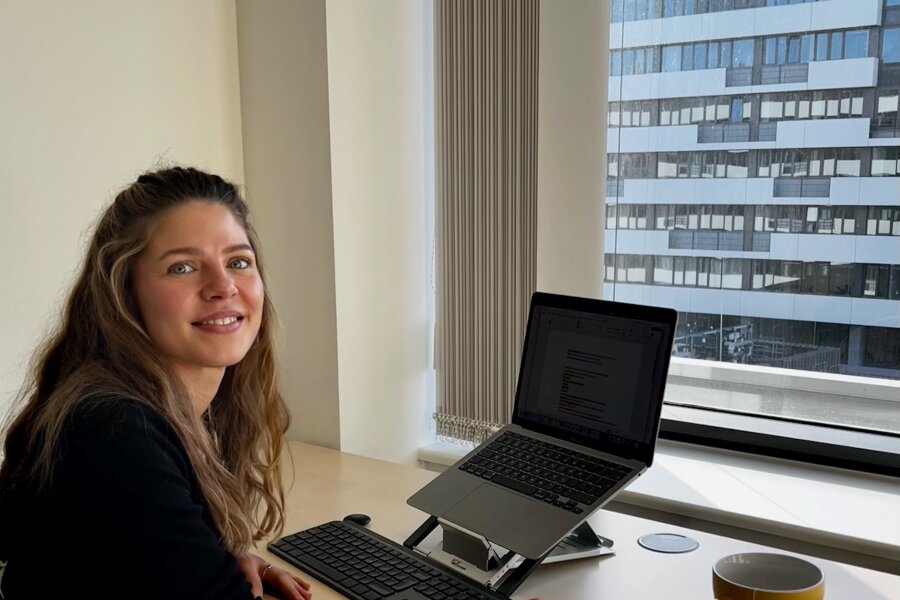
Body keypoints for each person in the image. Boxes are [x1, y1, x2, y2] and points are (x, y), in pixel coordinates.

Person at [0, 167, 311, 600]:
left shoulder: (161, 412)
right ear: (125, 294)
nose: (223, 286)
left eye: (238, 262)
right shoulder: (115, 432)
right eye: (182, 267)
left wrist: (215, 560)